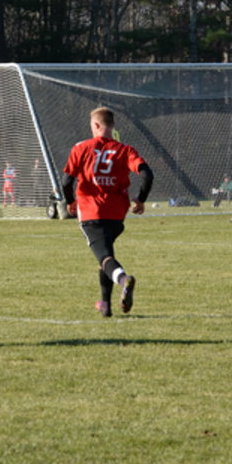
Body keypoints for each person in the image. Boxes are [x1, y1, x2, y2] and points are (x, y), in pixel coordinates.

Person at [62, 106, 154, 318]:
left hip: (91, 212)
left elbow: (67, 181)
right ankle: (105, 305)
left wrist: (70, 201)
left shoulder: (81, 147)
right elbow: (147, 174)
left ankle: (124, 280)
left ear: (95, 125)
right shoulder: (125, 150)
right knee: (105, 255)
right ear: (112, 126)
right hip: (116, 214)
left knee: (104, 256)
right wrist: (141, 199)